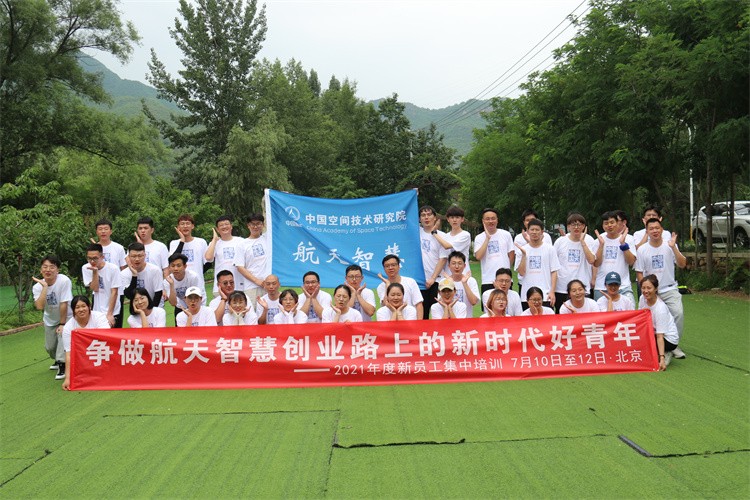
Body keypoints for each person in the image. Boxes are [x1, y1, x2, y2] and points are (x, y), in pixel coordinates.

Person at [636, 218, 687, 358]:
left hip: (669, 288)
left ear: (662, 230)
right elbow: (639, 272)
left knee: (678, 313)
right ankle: (654, 346)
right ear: (647, 231)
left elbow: (682, 264)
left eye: (657, 228)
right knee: (648, 319)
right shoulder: (642, 249)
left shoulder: (669, 245)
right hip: (651, 291)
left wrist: (673, 247)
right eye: (651, 229)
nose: (655, 231)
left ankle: (673, 345)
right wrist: (645, 290)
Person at [32, 255, 73, 379]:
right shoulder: (37, 287)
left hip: (67, 316)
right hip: (49, 319)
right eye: (45, 267)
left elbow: (64, 303)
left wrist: (62, 324)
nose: (48, 270)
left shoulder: (64, 280)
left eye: (52, 267)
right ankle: (57, 359)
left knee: (62, 338)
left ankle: (62, 365)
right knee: (50, 347)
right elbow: (39, 306)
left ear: (58, 270)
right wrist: (45, 287)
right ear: (41, 270)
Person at [61, 295, 110, 390]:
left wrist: (82, 332)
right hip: (83, 356)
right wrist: (68, 378)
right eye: (77, 307)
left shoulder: (99, 317)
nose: (81, 310)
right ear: (73, 310)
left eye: (83, 306)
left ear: (89, 307)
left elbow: (107, 335)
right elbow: (69, 354)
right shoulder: (68, 327)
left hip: (102, 352)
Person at [553, 213, 596, 312]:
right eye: (573, 224)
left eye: (579, 224)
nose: (576, 227)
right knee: (562, 314)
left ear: (584, 226)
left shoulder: (589, 240)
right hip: (562, 287)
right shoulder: (560, 241)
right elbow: (554, 265)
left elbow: (591, 260)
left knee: (584, 316)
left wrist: (582, 242)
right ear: (568, 227)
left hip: (582, 286)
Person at [515, 218, 560, 310]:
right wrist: (524, 256)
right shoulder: (522, 250)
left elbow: (554, 272)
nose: (534, 232)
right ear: (528, 231)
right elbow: (521, 272)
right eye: (532, 230)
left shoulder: (550, 249)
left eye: (537, 230)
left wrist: (552, 292)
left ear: (542, 232)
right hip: (527, 296)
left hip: (545, 295)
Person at [591, 210, 637, 301]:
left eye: (612, 222)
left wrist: (623, 244)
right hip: (602, 286)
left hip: (623, 286)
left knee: (629, 309)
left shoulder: (628, 239)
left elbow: (631, 262)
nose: (609, 225)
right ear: (603, 225)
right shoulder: (598, 241)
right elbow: (596, 263)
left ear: (617, 223)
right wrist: (601, 245)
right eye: (606, 223)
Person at [639, 275, 680, 370]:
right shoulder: (642, 299)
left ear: (656, 289)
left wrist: (661, 358)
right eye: (643, 288)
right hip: (653, 332)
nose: (645, 291)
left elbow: (660, 336)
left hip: (668, 339)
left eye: (649, 288)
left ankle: (665, 353)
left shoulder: (660, 308)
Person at [474, 208, 515, 301]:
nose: (490, 221)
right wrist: (487, 238)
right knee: (489, 306)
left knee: (506, 305)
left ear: (497, 220)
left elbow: (511, 255)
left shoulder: (506, 234)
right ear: (483, 221)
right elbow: (478, 256)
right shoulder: (479, 238)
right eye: (487, 219)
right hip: (488, 280)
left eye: (493, 218)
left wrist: (506, 272)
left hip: (505, 280)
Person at [418, 205, 449, 319]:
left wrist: (432, 278)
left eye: (429, 215)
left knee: (439, 313)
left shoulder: (442, 236)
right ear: (419, 219)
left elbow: (443, 258)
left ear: (435, 217)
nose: (426, 217)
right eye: (423, 215)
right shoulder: (416, 232)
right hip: (420, 281)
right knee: (422, 314)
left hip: (437, 280)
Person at [235, 213, 271, 307]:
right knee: (252, 313)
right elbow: (240, 267)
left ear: (263, 225)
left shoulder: (268, 239)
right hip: (251, 286)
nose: (255, 227)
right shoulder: (242, 244)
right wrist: (257, 281)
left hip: (269, 285)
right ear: (248, 225)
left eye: (258, 223)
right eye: (253, 224)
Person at [81, 243, 120, 327]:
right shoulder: (86, 268)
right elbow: (95, 289)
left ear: (102, 257)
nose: (92, 261)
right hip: (97, 310)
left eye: (95, 258)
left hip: (113, 310)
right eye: (89, 258)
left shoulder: (113, 269)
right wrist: (95, 272)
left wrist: (110, 314)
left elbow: (114, 292)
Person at [513, 209, 552, 294]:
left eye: (532, 219)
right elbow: (520, 260)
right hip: (525, 281)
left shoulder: (546, 236)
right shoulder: (518, 238)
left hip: (543, 281)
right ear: (524, 222)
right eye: (527, 220)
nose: (530, 222)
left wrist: (530, 240)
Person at [205, 215, 244, 295]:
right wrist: (214, 239)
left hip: (239, 284)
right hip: (221, 287)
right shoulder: (215, 243)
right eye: (221, 225)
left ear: (231, 226)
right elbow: (208, 258)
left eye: (226, 224)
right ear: (217, 229)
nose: (224, 227)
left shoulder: (241, 241)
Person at [376, 254, 424, 319]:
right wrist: (387, 285)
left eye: (393, 265)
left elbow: (419, 304)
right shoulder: (381, 287)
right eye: (387, 266)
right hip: (391, 320)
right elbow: (385, 304)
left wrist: (419, 323)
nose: (390, 268)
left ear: (399, 266)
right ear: (384, 269)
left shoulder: (410, 282)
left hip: (409, 319)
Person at [121, 242, 163, 311]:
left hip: (155, 308)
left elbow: (158, 293)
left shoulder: (155, 270)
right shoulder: (124, 274)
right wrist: (134, 276)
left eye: (140, 256)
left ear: (145, 255)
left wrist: (150, 311)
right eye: (134, 256)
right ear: (129, 257)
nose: (137, 259)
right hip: (136, 311)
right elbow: (129, 295)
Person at [164, 253, 205, 320]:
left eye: (178, 265)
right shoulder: (167, 281)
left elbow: (198, 296)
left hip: (197, 304)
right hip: (180, 307)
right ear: (169, 267)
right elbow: (173, 303)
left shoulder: (193, 277)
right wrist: (171, 285)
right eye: (173, 266)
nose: (175, 268)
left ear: (185, 266)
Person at [169, 214, 209, 279]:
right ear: (178, 227)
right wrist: (182, 241)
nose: (185, 226)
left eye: (188, 223)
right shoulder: (174, 243)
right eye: (182, 224)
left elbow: (208, 263)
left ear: (192, 226)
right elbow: (173, 260)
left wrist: (198, 274)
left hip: (197, 282)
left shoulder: (201, 242)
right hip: (179, 282)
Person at [433, 205, 472, 271]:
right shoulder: (446, 236)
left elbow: (447, 246)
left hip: (463, 272)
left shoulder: (465, 235)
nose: (454, 220)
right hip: (448, 273)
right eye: (452, 217)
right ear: (448, 219)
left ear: (462, 219)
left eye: (457, 217)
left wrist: (434, 233)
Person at [445, 250, 480, 317]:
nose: (457, 266)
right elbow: (441, 302)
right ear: (449, 266)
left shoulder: (471, 281)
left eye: (460, 263)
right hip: (449, 319)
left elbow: (473, 302)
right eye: (453, 263)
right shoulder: (444, 281)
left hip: (466, 319)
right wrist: (449, 283)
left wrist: (464, 283)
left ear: (464, 266)